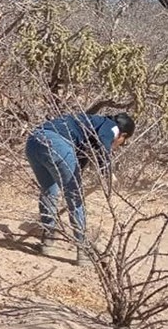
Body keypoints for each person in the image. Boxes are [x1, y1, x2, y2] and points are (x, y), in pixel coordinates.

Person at [24, 112, 134, 265]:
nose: (118, 146)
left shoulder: (89, 125)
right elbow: (104, 141)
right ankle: (83, 251)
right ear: (122, 135)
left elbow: (79, 161)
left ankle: (47, 240)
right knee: (75, 196)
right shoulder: (111, 127)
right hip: (56, 143)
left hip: (33, 141)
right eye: (122, 142)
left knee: (49, 190)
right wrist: (108, 172)